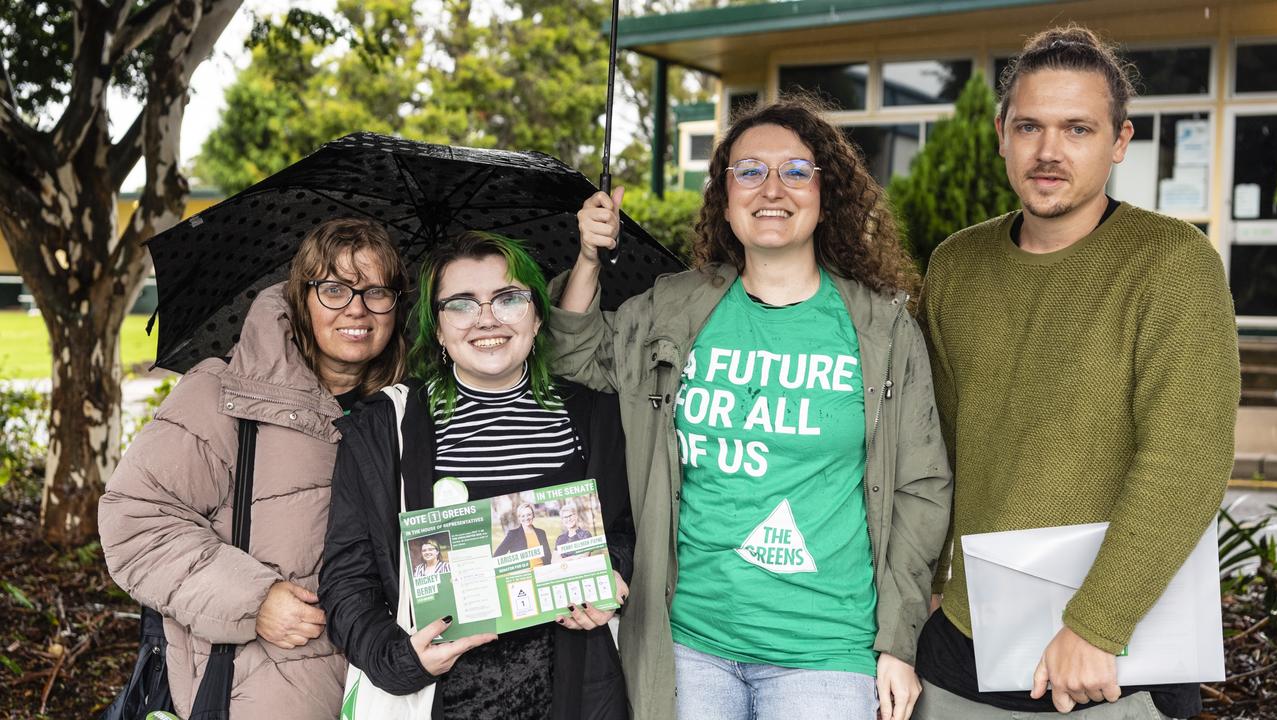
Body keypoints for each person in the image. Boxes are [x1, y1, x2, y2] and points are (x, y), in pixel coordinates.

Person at [555, 96, 953, 720]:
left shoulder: (881, 327)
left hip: (826, 650)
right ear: (725, 193)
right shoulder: (677, 310)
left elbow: (921, 490)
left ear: (827, 193)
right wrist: (586, 258)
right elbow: (576, 355)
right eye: (749, 171)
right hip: (688, 645)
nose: (773, 188)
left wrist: (898, 643)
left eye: (796, 171)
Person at [913, 25, 1240, 720]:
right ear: (1001, 132)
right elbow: (935, 447)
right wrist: (928, 583)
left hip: (1114, 658)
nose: (1049, 151)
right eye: (1029, 126)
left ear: (1119, 142)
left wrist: (1097, 622)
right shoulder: (956, 266)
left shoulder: (1172, 263)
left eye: (1078, 129)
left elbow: (1187, 459)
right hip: (963, 641)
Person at [99, 217, 410, 718]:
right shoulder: (222, 395)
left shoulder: (414, 409)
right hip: (263, 691)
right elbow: (135, 521)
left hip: (391, 687)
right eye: (334, 288)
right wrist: (254, 600)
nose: (357, 308)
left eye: (377, 291)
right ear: (299, 297)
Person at [319, 231, 634, 720]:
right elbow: (347, 580)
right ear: (438, 328)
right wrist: (403, 659)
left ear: (536, 315)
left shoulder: (594, 417)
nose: (487, 319)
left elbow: (624, 532)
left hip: (574, 692)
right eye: (461, 304)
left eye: (508, 299)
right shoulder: (386, 427)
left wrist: (612, 572)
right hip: (439, 702)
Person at [494, 501, 554, 567]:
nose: (526, 518)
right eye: (523, 516)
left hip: (542, 572)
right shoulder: (513, 535)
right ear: (519, 518)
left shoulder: (541, 533)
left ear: (533, 515)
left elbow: (548, 557)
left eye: (529, 514)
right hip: (525, 575)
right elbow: (497, 556)